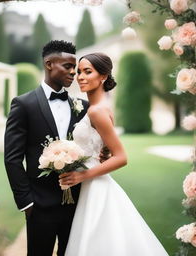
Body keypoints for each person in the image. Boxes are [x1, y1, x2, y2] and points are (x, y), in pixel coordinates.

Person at [4, 41, 108, 256]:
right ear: (49, 64)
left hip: (79, 202)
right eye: (68, 66)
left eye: (76, 68)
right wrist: (26, 202)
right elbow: (12, 158)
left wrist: (103, 152)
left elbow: (95, 144)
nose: (74, 73)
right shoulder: (23, 104)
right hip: (39, 205)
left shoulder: (83, 106)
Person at [59, 53, 169, 256]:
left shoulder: (96, 111)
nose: (80, 76)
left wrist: (82, 175)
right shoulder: (100, 108)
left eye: (88, 71)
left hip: (94, 185)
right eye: (80, 71)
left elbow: (122, 157)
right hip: (93, 183)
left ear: (103, 76)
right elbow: (104, 144)